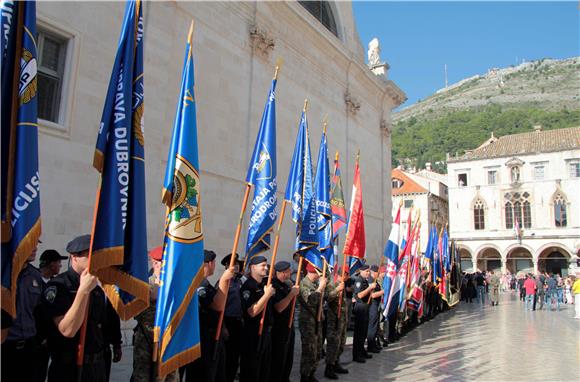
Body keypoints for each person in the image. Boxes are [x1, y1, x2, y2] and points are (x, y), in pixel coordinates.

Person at [41, 234, 114, 381]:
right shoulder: (59, 286)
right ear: (75, 257)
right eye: (90, 255)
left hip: (96, 366)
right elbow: (67, 330)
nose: (96, 260)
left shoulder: (97, 289)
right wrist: (83, 291)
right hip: (69, 368)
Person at [183, 249, 234, 382]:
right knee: (203, 376)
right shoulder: (199, 286)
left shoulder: (206, 284)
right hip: (203, 341)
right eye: (214, 262)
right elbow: (217, 306)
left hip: (213, 339)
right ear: (209, 264)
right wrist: (223, 281)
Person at [1, 240, 46, 382]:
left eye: (36, 243)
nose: (35, 248)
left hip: (29, 347)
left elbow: (39, 311)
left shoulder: (35, 275)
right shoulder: (3, 274)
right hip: (5, 347)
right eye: (30, 243)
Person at [131, 246, 178, 382]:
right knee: (144, 376)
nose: (162, 267)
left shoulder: (174, 287)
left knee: (170, 377)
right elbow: (138, 313)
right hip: (147, 340)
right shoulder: (144, 284)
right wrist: (154, 293)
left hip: (168, 342)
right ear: (154, 263)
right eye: (159, 263)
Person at [240, 255, 275, 382]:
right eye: (263, 265)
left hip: (266, 332)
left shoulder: (264, 285)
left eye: (266, 265)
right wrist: (266, 296)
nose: (266, 268)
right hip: (253, 333)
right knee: (251, 371)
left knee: (264, 371)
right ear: (253, 267)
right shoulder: (248, 287)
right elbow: (252, 312)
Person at [270, 260, 300, 382]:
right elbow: (279, 307)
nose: (290, 272)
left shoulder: (286, 285)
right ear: (281, 272)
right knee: (278, 359)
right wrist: (291, 294)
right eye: (288, 271)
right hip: (279, 328)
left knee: (288, 357)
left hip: (289, 326)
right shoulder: (274, 285)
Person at [298, 262, 326, 382]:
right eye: (318, 274)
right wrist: (320, 288)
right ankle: (305, 376)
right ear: (312, 272)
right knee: (309, 349)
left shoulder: (314, 284)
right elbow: (311, 300)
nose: (319, 276)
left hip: (316, 320)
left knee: (317, 349)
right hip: (307, 321)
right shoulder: (304, 284)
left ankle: (311, 374)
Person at [221, 253, 244, 382]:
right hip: (227, 322)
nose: (236, 266)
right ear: (226, 266)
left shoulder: (240, 281)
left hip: (238, 322)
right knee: (228, 356)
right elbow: (220, 308)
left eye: (236, 264)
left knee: (235, 356)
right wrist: (223, 326)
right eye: (233, 264)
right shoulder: (224, 282)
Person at [324, 270, 347, 380]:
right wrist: (337, 290)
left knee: (341, 343)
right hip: (334, 320)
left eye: (346, 275)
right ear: (338, 275)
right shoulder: (332, 285)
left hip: (342, 319)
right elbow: (327, 298)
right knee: (333, 344)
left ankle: (336, 363)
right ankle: (329, 368)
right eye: (343, 274)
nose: (345, 277)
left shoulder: (342, 284)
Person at [351, 264, 375, 363]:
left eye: (369, 271)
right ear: (361, 271)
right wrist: (369, 289)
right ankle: (356, 355)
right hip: (360, 307)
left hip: (365, 307)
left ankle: (362, 351)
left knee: (364, 331)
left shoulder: (365, 280)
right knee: (359, 333)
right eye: (366, 271)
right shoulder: (359, 281)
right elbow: (359, 295)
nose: (368, 273)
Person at [366, 265, 383, 353]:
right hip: (372, 304)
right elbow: (372, 295)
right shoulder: (370, 281)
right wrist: (383, 291)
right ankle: (370, 345)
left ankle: (374, 344)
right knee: (372, 325)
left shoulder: (375, 281)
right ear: (374, 272)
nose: (379, 274)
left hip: (376, 304)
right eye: (378, 272)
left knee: (375, 325)